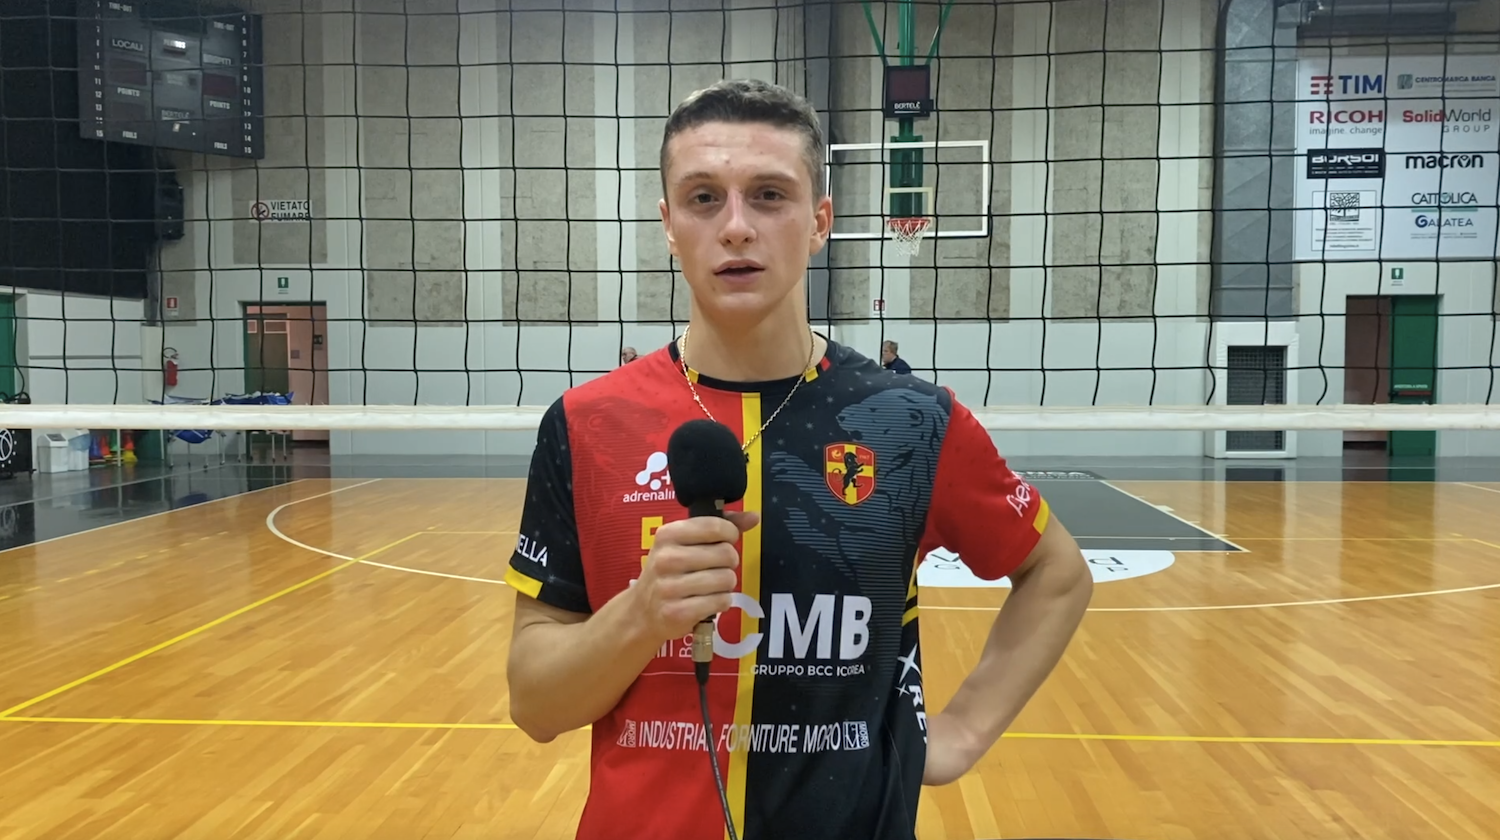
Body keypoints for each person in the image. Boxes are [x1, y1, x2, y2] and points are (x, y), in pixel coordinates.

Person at [505, 78, 1093, 840]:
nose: (736, 227)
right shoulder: (586, 425)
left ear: (820, 222)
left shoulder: (911, 422)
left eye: (770, 196)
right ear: (669, 225)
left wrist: (963, 731)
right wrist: (642, 615)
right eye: (703, 198)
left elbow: (1056, 573)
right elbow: (536, 706)